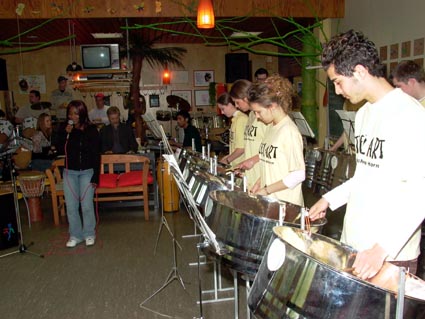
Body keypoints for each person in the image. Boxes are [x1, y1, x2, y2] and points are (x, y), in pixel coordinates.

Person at [309, 30, 425, 279]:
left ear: (360, 71)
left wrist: (382, 248)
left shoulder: (411, 116)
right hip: (355, 241)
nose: (337, 91)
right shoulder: (363, 114)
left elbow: (421, 192)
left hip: (390, 254)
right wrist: (329, 199)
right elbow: (365, 175)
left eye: (338, 81)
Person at [248, 74, 305, 206]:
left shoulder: (289, 131)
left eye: (259, 112)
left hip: (286, 206)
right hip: (271, 202)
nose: (256, 117)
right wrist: (259, 183)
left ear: (272, 106)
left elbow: (298, 175)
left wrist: (267, 190)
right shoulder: (270, 127)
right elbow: (272, 166)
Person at [56, 100, 100, 248]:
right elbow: (58, 148)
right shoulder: (65, 129)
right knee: (71, 206)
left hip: (87, 172)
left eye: (75, 113)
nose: (72, 116)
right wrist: (65, 133)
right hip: (70, 173)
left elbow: (96, 154)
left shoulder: (91, 130)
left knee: (86, 205)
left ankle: (89, 233)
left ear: (82, 113)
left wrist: (96, 176)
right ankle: (75, 235)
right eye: (70, 113)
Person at [230, 79, 268, 189]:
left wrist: (253, 160)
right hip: (251, 175)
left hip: (262, 177)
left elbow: (275, 149)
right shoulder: (251, 115)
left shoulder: (264, 116)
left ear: (245, 98)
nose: (236, 106)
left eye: (237, 102)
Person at [217, 93, 248, 166]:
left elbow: (241, 148)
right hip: (235, 163)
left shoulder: (241, 119)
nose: (222, 112)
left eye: (223, 108)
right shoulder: (235, 119)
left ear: (230, 104)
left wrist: (227, 160)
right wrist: (227, 157)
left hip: (240, 164)